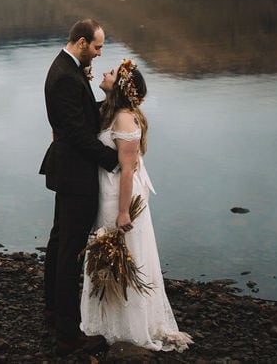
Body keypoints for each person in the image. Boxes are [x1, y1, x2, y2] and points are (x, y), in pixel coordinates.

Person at [79, 59, 193, 352]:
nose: (105, 72)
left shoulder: (125, 119)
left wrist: (122, 211)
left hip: (120, 195)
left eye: (112, 73)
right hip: (108, 190)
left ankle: (127, 326)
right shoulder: (110, 112)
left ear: (119, 85)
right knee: (107, 253)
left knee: (122, 252)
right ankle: (107, 321)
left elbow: (127, 169)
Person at [40, 19, 120, 356]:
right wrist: (113, 159)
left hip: (69, 170)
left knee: (60, 241)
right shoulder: (64, 76)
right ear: (82, 41)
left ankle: (53, 311)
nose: (99, 54)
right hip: (75, 174)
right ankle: (68, 335)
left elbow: (82, 117)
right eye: (98, 47)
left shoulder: (67, 69)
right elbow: (76, 132)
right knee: (70, 250)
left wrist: (110, 99)